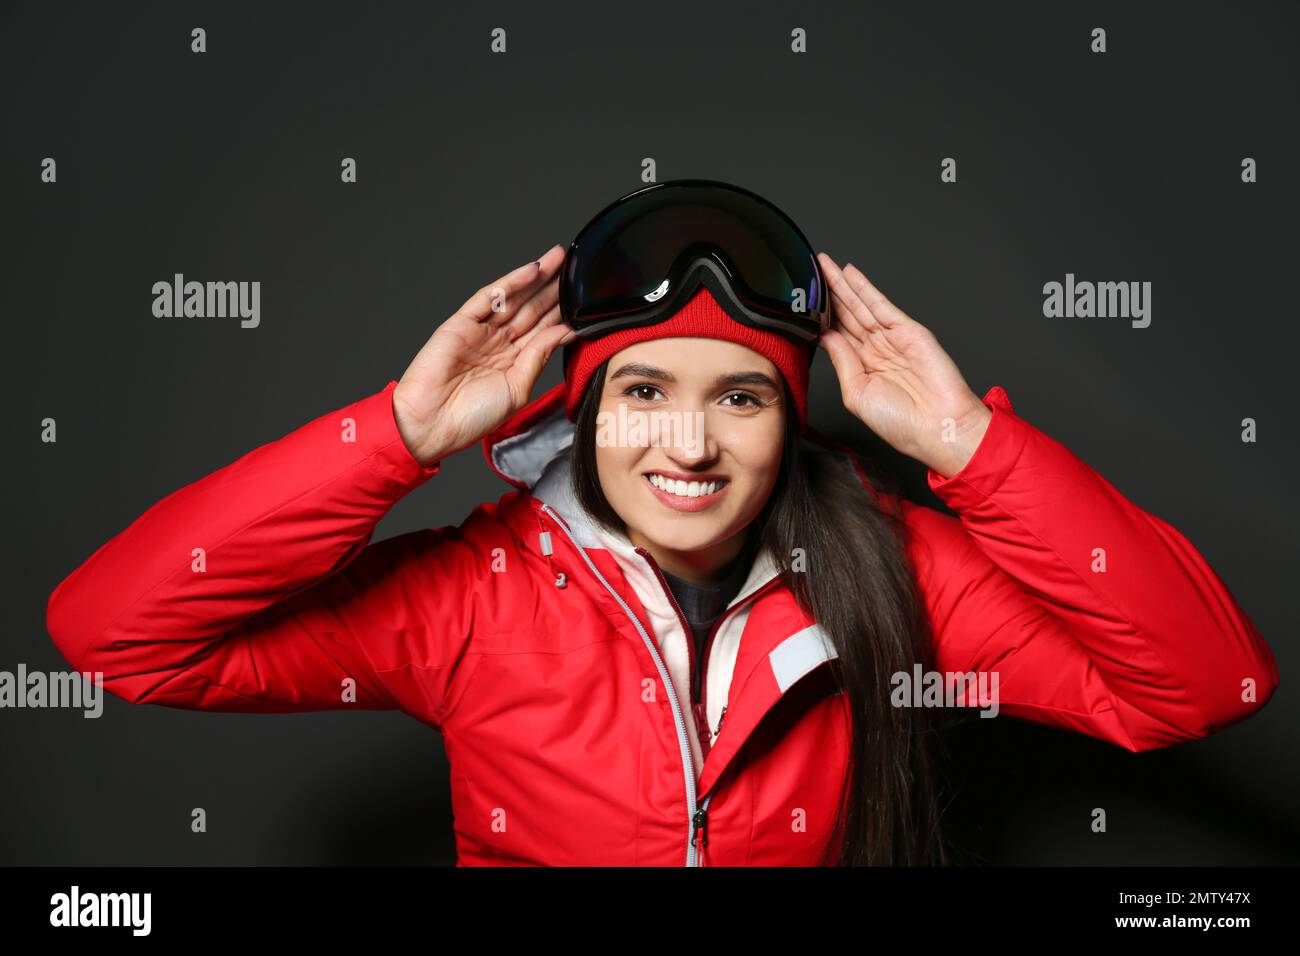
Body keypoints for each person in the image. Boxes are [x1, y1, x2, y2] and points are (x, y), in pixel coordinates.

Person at [45, 180, 1279, 867]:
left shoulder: (895, 570)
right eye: (642, 392)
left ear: (786, 421)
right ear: (583, 413)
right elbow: (119, 634)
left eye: (738, 396)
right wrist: (397, 435)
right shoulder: (473, 596)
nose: (687, 445)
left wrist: (971, 449)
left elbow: (1201, 680)